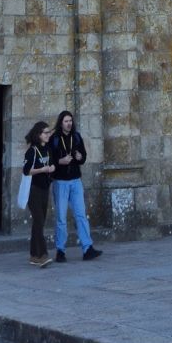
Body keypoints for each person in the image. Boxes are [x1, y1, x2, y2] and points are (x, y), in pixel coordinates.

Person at [49, 109, 102, 261]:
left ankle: (87, 248)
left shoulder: (77, 137)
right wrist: (60, 161)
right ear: (61, 123)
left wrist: (80, 157)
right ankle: (60, 250)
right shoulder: (54, 139)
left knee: (81, 214)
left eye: (70, 121)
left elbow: (83, 157)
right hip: (60, 182)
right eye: (66, 121)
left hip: (75, 181)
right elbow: (50, 160)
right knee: (61, 217)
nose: (69, 123)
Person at [22, 121, 55, 266]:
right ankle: (42, 254)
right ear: (38, 135)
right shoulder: (32, 151)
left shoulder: (47, 149)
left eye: (49, 132)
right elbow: (26, 170)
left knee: (38, 222)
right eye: (45, 133)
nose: (48, 135)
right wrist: (42, 170)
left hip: (44, 189)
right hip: (33, 189)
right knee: (39, 220)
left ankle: (34, 255)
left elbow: (51, 164)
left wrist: (52, 167)